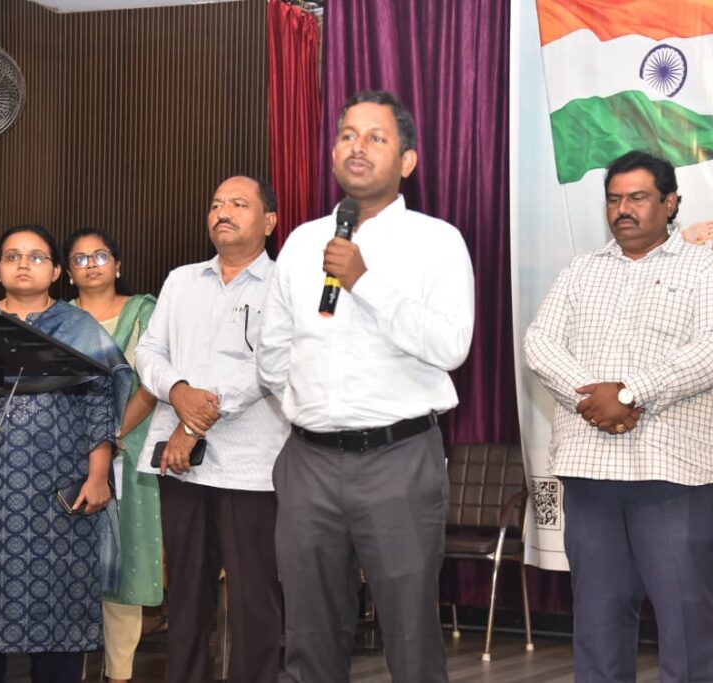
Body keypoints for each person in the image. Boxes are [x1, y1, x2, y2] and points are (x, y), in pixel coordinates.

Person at [257, 89, 475, 683]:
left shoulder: (437, 241)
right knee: (308, 637)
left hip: (398, 460)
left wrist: (364, 281)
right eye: (348, 135)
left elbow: (450, 345)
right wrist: (308, 408)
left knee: (410, 638)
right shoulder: (302, 242)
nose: (358, 146)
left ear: (407, 161)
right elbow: (273, 353)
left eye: (376, 137)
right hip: (309, 463)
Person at [524, 151, 713, 682]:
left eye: (638, 197)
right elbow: (540, 342)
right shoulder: (581, 271)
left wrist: (630, 393)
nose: (623, 209)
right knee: (598, 623)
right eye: (614, 199)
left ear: (670, 203)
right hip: (591, 472)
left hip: (673, 476)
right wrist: (594, 398)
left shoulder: (704, 269)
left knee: (689, 623)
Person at [135, 175, 287, 683]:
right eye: (217, 203)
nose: (223, 211)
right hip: (179, 464)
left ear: (269, 221)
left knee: (254, 598)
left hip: (251, 466)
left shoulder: (284, 285)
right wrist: (177, 390)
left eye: (239, 204)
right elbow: (148, 351)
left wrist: (196, 420)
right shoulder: (181, 280)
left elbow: (271, 367)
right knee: (185, 596)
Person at [0, 224, 130, 683]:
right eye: (12, 256)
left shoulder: (78, 328)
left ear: (57, 272)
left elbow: (101, 402)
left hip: (59, 493)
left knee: (60, 606)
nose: (23, 264)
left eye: (36, 257)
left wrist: (98, 476)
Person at [65, 228, 162, 683]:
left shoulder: (144, 312)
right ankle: (71, 668)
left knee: (125, 565)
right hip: (64, 453)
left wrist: (111, 432)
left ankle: (119, 673)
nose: (91, 264)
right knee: (69, 564)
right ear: (67, 273)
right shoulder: (57, 318)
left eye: (100, 256)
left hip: (129, 448)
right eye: (80, 259)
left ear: (118, 265)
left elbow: (153, 381)